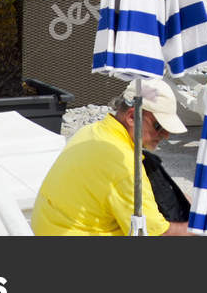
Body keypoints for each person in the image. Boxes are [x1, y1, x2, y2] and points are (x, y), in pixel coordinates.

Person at [31, 78, 192, 236]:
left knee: (151, 164)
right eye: (159, 126)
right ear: (131, 117)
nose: (165, 135)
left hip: (50, 226)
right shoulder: (124, 166)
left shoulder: (92, 131)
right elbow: (156, 234)